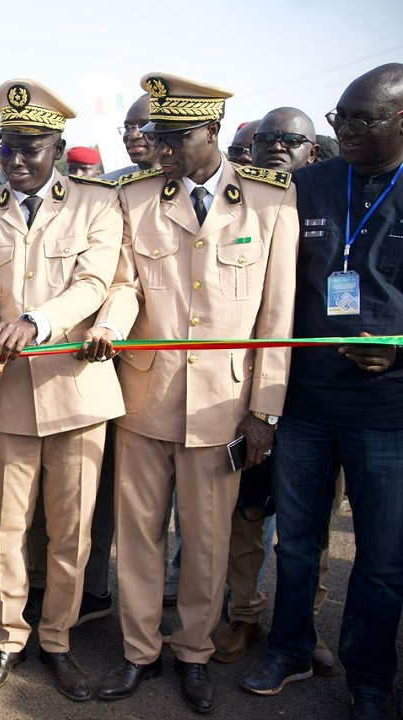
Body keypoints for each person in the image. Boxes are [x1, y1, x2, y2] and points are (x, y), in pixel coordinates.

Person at [81, 72, 298, 715]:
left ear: (211, 134)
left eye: (175, 136)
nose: (160, 146)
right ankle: (138, 651)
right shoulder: (135, 195)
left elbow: (276, 321)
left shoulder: (269, 200)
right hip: (146, 396)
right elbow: (125, 285)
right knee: (140, 537)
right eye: (156, 134)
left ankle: (195, 652)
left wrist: (264, 411)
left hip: (223, 406)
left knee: (206, 542)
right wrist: (108, 327)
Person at [239, 63, 403, 720]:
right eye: (340, 119)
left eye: (362, 119)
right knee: (298, 541)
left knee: (383, 560)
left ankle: (370, 677)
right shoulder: (305, 187)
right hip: (306, 404)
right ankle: (290, 648)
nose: (348, 131)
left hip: (387, 416)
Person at [0, 78, 123, 701]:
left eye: (34, 147)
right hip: (8, 395)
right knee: (7, 527)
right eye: (10, 147)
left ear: (58, 146)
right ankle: (7, 640)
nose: (20, 160)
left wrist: (34, 323)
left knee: (70, 531)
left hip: (77, 392)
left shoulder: (96, 204)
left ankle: (56, 639)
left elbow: (94, 282)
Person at [212, 106, 322, 668]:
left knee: (311, 524)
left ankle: (306, 625)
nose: (276, 146)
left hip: (330, 394)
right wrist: (261, 407)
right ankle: (245, 615)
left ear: (314, 151)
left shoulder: (331, 196)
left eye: (290, 139)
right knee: (247, 514)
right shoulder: (244, 203)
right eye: (266, 139)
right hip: (255, 391)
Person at [102, 94, 158, 181]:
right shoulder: (107, 186)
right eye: (127, 127)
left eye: (144, 125)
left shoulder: (185, 182)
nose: (132, 136)